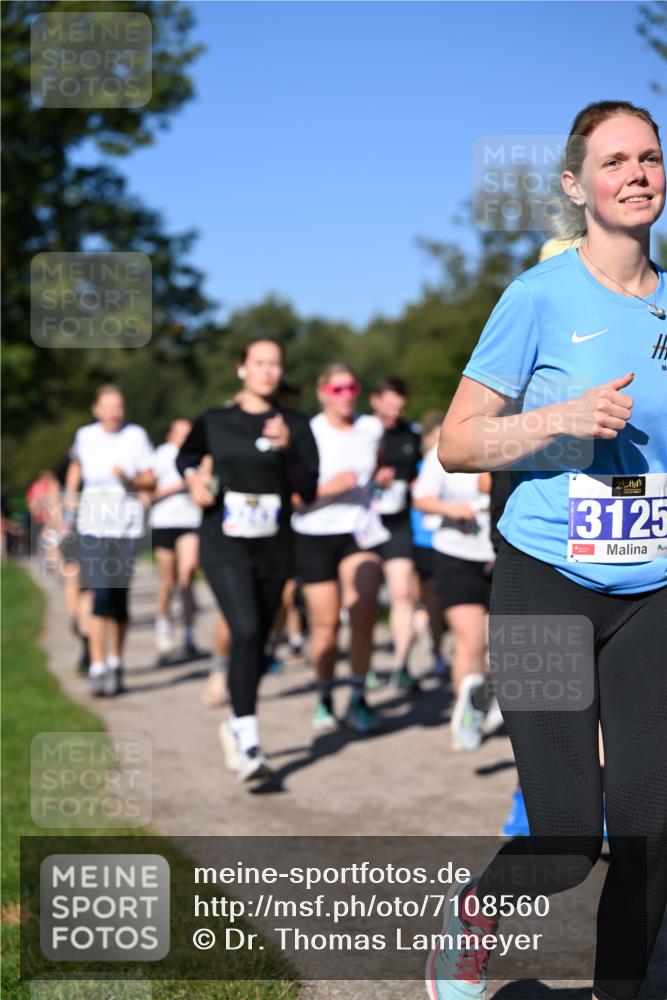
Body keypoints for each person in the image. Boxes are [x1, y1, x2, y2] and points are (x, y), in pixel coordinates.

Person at [426, 101, 666, 1000]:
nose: (636, 174)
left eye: (649, 158)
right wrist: (560, 420)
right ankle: (475, 914)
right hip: (543, 584)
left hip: (654, 591)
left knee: (652, 829)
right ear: (576, 186)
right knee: (567, 838)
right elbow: (456, 442)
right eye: (614, 162)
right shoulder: (536, 297)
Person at [177, 337, 319, 782]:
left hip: (274, 542)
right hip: (224, 540)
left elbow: (309, 489)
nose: (268, 371)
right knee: (246, 628)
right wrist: (192, 480)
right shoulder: (216, 420)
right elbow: (185, 453)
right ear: (241, 368)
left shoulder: (294, 423)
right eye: (259, 362)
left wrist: (286, 450)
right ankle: (250, 738)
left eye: (275, 363)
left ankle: (236, 724)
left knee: (257, 643)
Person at [292, 362, 388, 734]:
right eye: (338, 390)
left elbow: (377, 467)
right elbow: (295, 497)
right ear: (322, 394)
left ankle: (359, 696)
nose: (346, 396)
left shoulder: (371, 428)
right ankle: (324, 695)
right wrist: (329, 489)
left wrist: (379, 480)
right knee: (326, 626)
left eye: (352, 388)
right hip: (314, 531)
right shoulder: (307, 432)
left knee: (363, 610)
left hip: (360, 532)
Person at [65, 385, 155, 696]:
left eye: (119, 406)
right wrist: (68, 500)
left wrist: (129, 478)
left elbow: (150, 479)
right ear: (96, 409)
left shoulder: (137, 437)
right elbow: (75, 467)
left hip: (125, 526)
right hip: (93, 525)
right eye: (108, 406)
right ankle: (97, 665)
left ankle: (116, 660)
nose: (114, 412)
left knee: (119, 600)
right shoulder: (85, 436)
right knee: (99, 595)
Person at [412, 454, 493, 751]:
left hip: (499, 553)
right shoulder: (447, 445)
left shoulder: (515, 438)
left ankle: (483, 703)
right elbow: (420, 498)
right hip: (455, 555)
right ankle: (467, 717)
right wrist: (452, 508)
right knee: (469, 642)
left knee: (492, 644)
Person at [369, 377, 422, 691]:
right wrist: (373, 478)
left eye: (399, 407)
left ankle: (401, 665)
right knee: (365, 599)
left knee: (403, 593)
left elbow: (417, 472)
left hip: (398, 523)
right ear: (375, 401)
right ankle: (368, 666)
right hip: (364, 523)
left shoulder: (410, 433)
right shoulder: (362, 432)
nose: (394, 412)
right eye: (389, 405)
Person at [149, 418, 202, 660]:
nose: (184, 437)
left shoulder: (199, 454)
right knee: (167, 580)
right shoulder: (160, 455)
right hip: (164, 522)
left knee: (187, 577)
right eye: (180, 433)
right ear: (170, 435)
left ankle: (189, 634)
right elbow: (150, 493)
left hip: (190, 521)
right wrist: (180, 485)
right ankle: (163, 627)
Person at [410, 411, 449, 678]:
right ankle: (435, 649)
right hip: (424, 541)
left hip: (450, 541)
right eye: (434, 435)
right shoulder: (421, 466)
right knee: (430, 600)